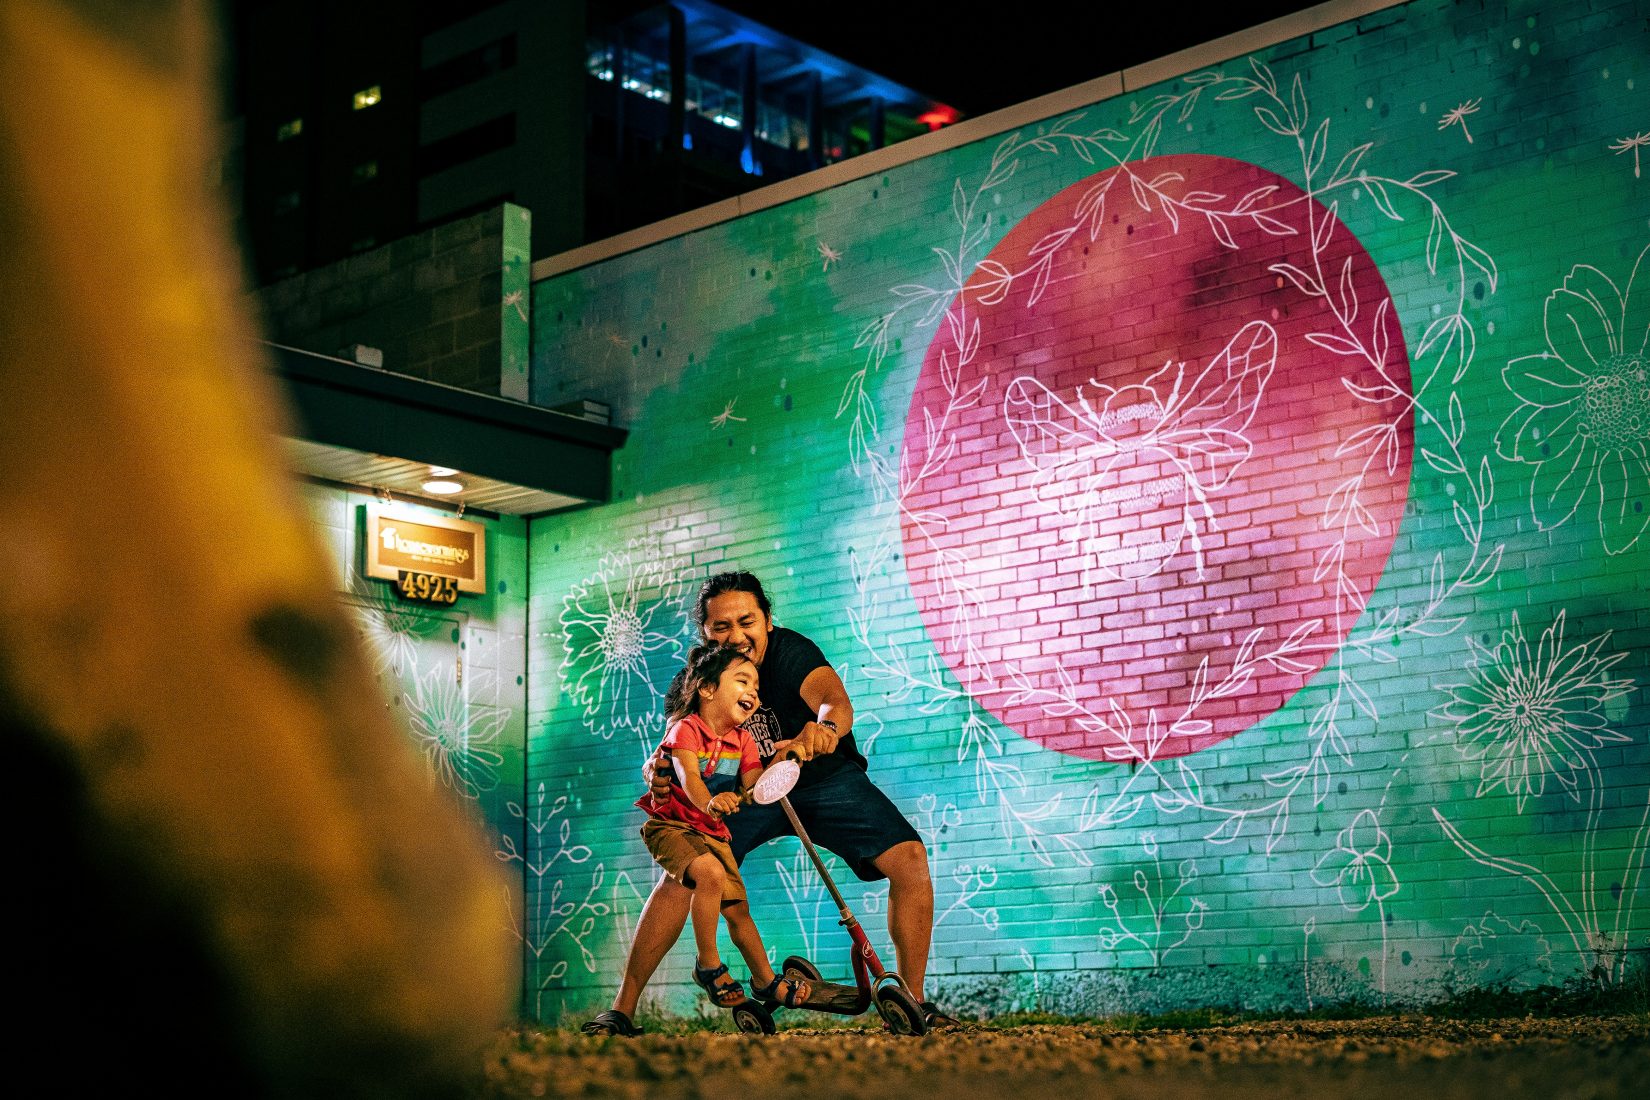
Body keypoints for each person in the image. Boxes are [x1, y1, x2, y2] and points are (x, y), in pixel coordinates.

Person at [584, 571, 955, 1036]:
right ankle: (622, 1010)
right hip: (745, 791)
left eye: (747, 622)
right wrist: (658, 770)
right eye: (721, 628)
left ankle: (913, 1004)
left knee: (909, 858)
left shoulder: (791, 652)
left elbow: (835, 703)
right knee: (685, 875)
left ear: (768, 621)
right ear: (706, 632)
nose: (736, 637)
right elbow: (674, 746)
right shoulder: (697, 680)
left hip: (817, 776)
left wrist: (820, 732)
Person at [636, 641, 811, 1011]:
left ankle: (766, 981)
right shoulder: (687, 730)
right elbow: (690, 778)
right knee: (711, 874)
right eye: (743, 681)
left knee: (738, 910)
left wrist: (783, 765)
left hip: (712, 833)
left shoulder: (743, 739)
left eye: (756, 688)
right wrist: (711, 802)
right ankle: (709, 964)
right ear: (708, 688)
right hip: (672, 826)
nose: (753, 691)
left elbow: (754, 784)